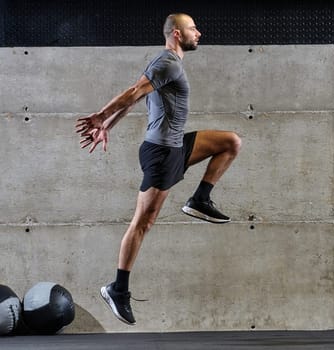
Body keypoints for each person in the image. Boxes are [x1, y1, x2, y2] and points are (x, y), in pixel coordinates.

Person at [75, 13, 242, 325]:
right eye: (193, 28)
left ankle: (200, 199)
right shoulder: (167, 63)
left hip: (174, 147)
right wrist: (101, 116)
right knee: (143, 223)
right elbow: (134, 92)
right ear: (177, 34)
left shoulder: (167, 65)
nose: (199, 33)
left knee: (230, 142)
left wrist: (108, 124)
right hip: (162, 154)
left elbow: (136, 98)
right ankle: (118, 290)